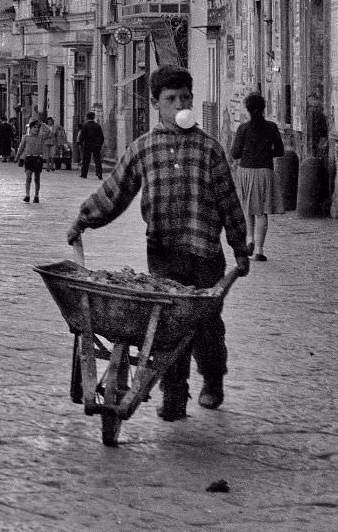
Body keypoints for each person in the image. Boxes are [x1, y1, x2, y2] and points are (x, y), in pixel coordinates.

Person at [67, 65, 250, 421]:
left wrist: (240, 249)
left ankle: (213, 380)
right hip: (164, 255)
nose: (179, 104)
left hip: (205, 255)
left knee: (207, 327)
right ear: (156, 104)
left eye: (185, 97)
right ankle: (174, 395)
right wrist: (83, 219)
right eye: (171, 99)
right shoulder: (144, 149)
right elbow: (115, 192)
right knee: (167, 331)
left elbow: (229, 203)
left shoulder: (209, 150)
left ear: (192, 100)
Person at [230, 92, 284, 262]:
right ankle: (260, 249)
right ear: (263, 109)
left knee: (248, 210)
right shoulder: (272, 127)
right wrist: (266, 152)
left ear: (247, 109)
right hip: (265, 171)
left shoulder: (243, 128)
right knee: (261, 212)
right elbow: (280, 151)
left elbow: (235, 154)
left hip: (246, 171)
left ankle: (249, 240)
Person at [14, 119, 45, 203]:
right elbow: (21, 148)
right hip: (29, 159)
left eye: (38, 127)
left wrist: (42, 124)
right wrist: (17, 157)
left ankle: (36, 195)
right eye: (35, 127)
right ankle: (27, 195)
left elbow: (49, 133)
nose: (37, 129)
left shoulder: (41, 137)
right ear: (30, 128)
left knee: (37, 179)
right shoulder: (26, 138)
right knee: (28, 177)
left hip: (38, 159)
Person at [77, 111, 104, 179]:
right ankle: (99, 173)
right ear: (94, 117)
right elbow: (102, 136)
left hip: (87, 145)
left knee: (86, 160)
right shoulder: (98, 125)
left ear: (87, 117)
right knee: (97, 160)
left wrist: (80, 142)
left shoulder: (85, 125)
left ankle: (84, 174)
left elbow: (82, 135)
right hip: (96, 145)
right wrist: (100, 144)